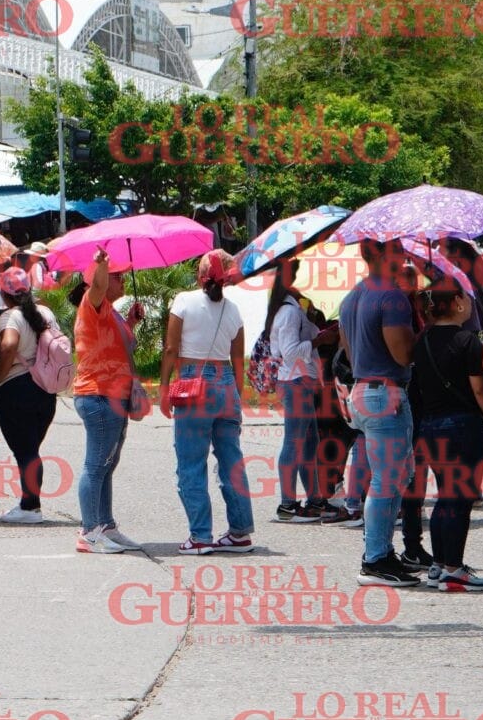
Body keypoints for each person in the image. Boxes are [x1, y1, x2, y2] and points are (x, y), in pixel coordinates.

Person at [339, 242, 425, 588]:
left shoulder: (352, 297)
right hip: (386, 393)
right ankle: (375, 559)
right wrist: (427, 329)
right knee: (387, 481)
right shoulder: (392, 298)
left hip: (363, 388)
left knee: (393, 477)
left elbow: (348, 348)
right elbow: (403, 354)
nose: (403, 254)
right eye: (395, 250)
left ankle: (382, 553)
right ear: (376, 254)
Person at [160, 250, 251, 554]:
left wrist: (163, 388)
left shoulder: (184, 301)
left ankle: (200, 535)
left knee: (191, 464)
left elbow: (172, 349)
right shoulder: (234, 311)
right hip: (226, 386)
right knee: (231, 463)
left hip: (193, 383)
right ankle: (240, 533)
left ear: (200, 276)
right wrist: (235, 398)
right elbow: (238, 361)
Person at [408, 286, 483, 591]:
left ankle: (439, 563)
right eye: (466, 298)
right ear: (456, 303)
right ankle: (454, 567)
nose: (470, 303)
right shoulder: (467, 341)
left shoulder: (422, 341)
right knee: (460, 497)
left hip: (430, 427)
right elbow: (481, 389)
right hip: (463, 426)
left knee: (445, 495)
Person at [70, 250, 143, 554]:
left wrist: (131, 322)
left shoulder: (109, 310)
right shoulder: (93, 301)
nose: (123, 280)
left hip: (113, 395)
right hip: (99, 394)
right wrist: (101, 264)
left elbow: (117, 346)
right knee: (96, 465)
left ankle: (106, 526)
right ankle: (90, 531)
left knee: (106, 464)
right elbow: (97, 287)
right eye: (118, 276)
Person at [0, 269, 59, 525]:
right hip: (45, 389)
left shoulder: (11, 316)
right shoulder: (46, 313)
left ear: (5, 295)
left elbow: (8, 346)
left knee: (26, 451)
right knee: (31, 450)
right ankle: (29, 502)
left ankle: (31, 507)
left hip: (16, 390)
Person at [263, 261, 331, 523]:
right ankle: (287, 504)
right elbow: (290, 353)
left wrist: (314, 322)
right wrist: (319, 340)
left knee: (310, 441)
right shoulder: (290, 313)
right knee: (294, 442)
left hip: (300, 380)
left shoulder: (292, 310)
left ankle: (314, 499)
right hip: (296, 380)